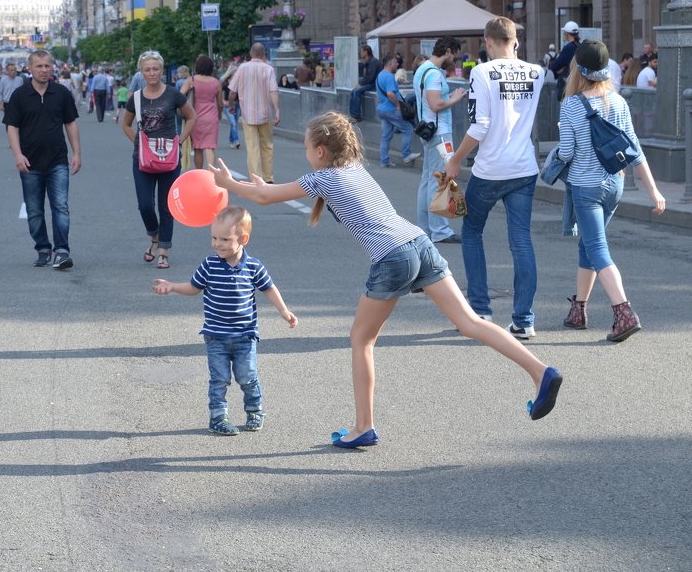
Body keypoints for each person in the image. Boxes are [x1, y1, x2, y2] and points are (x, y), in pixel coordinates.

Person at [210, 111, 564, 447]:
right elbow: (270, 191)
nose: (306, 153)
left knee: (361, 340)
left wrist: (230, 183)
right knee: (470, 322)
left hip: (392, 256)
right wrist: (256, 186)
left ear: (319, 151)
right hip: (419, 243)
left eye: (306, 147)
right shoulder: (353, 168)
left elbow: (263, 197)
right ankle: (539, 371)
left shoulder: (323, 177)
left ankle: (363, 427)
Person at [151, 206, 297, 435]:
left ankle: (254, 410)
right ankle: (218, 418)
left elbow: (269, 288)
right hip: (215, 336)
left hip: (245, 335)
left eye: (225, 239)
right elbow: (193, 288)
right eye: (214, 238)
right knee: (219, 379)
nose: (217, 244)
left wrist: (284, 311)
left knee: (247, 377)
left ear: (243, 239)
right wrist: (173, 287)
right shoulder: (209, 265)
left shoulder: (253, 266)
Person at [556, 40, 666, 342]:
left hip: (586, 186)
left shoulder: (572, 105)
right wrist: (653, 190)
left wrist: (557, 149)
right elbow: (635, 148)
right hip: (614, 185)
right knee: (589, 245)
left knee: (596, 248)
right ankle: (578, 309)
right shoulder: (618, 101)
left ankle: (623, 311)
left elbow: (566, 153)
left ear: (578, 68)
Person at [445, 17, 543, 339]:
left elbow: (480, 126)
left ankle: (480, 310)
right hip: (524, 167)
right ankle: (523, 319)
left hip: (490, 168)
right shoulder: (536, 72)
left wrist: (455, 160)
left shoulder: (482, 72)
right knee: (521, 240)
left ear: (487, 42)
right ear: (515, 41)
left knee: (472, 231)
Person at [3, 50, 81, 270]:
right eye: (39, 66)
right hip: (30, 163)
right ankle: (43, 248)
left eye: (47, 66)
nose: (44, 70)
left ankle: (62, 251)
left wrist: (76, 153)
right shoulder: (20, 95)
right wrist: (17, 154)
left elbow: (71, 123)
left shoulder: (61, 93)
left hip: (58, 161)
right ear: (30, 68)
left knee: (61, 207)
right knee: (35, 210)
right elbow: (12, 127)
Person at [121, 50, 196, 270]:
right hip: (143, 159)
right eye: (147, 69)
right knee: (145, 205)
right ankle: (154, 236)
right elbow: (125, 124)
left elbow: (191, 117)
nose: (152, 73)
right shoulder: (136, 97)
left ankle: (163, 250)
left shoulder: (173, 94)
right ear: (141, 71)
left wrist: (180, 140)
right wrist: (139, 142)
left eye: (156, 69)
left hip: (169, 158)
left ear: (162, 70)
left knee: (166, 206)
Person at [412, 37, 467, 244]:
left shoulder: (422, 70)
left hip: (428, 131)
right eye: (455, 55)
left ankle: (425, 228)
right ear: (448, 51)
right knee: (440, 180)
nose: (455, 60)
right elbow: (435, 104)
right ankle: (440, 231)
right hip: (440, 133)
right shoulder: (434, 73)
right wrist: (454, 97)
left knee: (428, 180)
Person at [228, 43, 279, 183]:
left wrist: (231, 105)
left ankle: (257, 179)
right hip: (266, 113)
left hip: (248, 114)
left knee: (252, 148)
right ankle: (268, 178)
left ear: (251, 53)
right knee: (267, 146)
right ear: (263, 54)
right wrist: (277, 110)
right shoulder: (269, 69)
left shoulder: (242, 68)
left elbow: (232, 91)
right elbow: (273, 90)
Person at [375, 54, 419, 167]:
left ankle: (384, 161)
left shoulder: (380, 75)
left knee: (386, 136)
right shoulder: (389, 76)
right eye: (395, 62)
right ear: (390, 63)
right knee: (408, 129)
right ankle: (406, 155)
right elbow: (390, 93)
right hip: (391, 109)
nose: (397, 64)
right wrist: (397, 105)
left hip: (382, 109)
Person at [180, 55, 224, 170]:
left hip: (194, 117)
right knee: (210, 147)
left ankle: (199, 172)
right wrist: (219, 114)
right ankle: (211, 173)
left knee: (198, 147)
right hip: (211, 117)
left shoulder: (191, 80)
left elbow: (180, 95)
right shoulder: (216, 82)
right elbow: (220, 103)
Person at [350, 44, 382, 122]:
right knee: (353, 91)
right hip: (370, 83)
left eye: (361, 51)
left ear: (366, 52)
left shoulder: (374, 62)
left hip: (374, 84)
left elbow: (370, 77)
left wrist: (360, 84)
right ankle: (353, 114)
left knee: (357, 91)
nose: (360, 53)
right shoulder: (368, 62)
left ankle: (357, 116)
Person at [549, 21, 581, 99]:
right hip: (578, 84)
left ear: (567, 34)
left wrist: (562, 69)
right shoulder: (580, 46)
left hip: (567, 86)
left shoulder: (568, 47)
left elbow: (554, 67)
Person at [220, 59, 240, 149]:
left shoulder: (239, 82)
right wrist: (223, 102)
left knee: (234, 123)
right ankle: (236, 141)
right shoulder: (225, 83)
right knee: (233, 123)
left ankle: (231, 140)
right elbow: (219, 94)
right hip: (227, 105)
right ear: (231, 72)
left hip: (237, 105)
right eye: (235, 71)